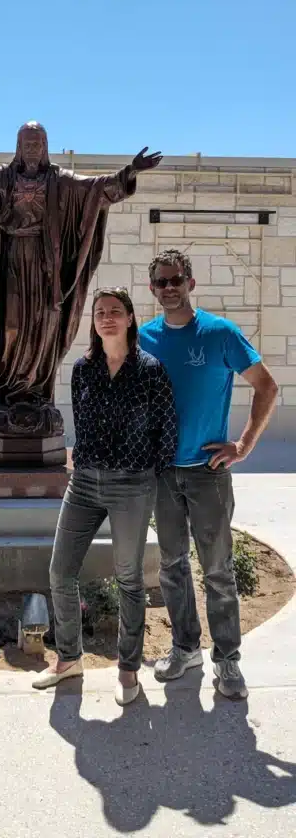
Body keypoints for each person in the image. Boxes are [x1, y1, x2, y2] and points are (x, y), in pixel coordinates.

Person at [0, 124, 162, 450]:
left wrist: (130, 171)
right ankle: (2, 388)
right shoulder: (1, 178)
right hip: (11, 263)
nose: (31, 149)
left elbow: (97, 189)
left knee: (43, 327)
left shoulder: (60, 181)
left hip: (47, 268)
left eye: (37, 143)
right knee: (9, 325)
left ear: (45, 146)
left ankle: (36, 392)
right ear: (18, 146)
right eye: (26, 143)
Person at [139, 248, 278, 700]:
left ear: (191, 283)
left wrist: (243, 446)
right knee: (174, 566)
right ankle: (185, 649)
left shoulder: (220, 333)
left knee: (218, 570)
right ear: (153, 289)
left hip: (207, 474)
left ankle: (228, 659)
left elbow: (267, 386)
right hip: (162, 474)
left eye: (176, 279)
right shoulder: (145, 337)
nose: (169, 287)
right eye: (161, 282)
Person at [33, 288, 177, 705]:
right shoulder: (83, 368)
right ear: (93, 322)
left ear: (131, 319)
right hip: (84, 484)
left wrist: (148, 475)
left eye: (116, 311)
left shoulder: (151, 370)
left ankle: (129, 669)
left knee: (129, 579)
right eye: (100, 312)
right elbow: (82, 424)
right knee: (61, 570)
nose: (107, 318)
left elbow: (166, 433)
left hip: (132, 485)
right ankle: (68, 658)